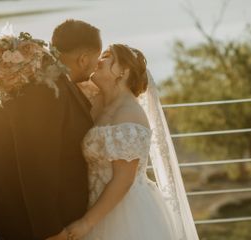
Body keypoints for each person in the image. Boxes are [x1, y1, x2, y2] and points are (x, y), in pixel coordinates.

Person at [49, 44, 182, 240]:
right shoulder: (97, 103)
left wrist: (87, 223)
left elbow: (124, 180)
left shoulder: (130, 113)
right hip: (94, 203)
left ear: (123, 71)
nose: (98, 60)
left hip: (124, 210)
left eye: (107, 56)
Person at [0, 19, 101, 240]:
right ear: (84, 58)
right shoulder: (44, 89)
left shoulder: (32, 77)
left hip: (19, 216)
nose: (95, 68)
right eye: (96, 60)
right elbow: (35, 164)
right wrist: (51, 230)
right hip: (33, 226)